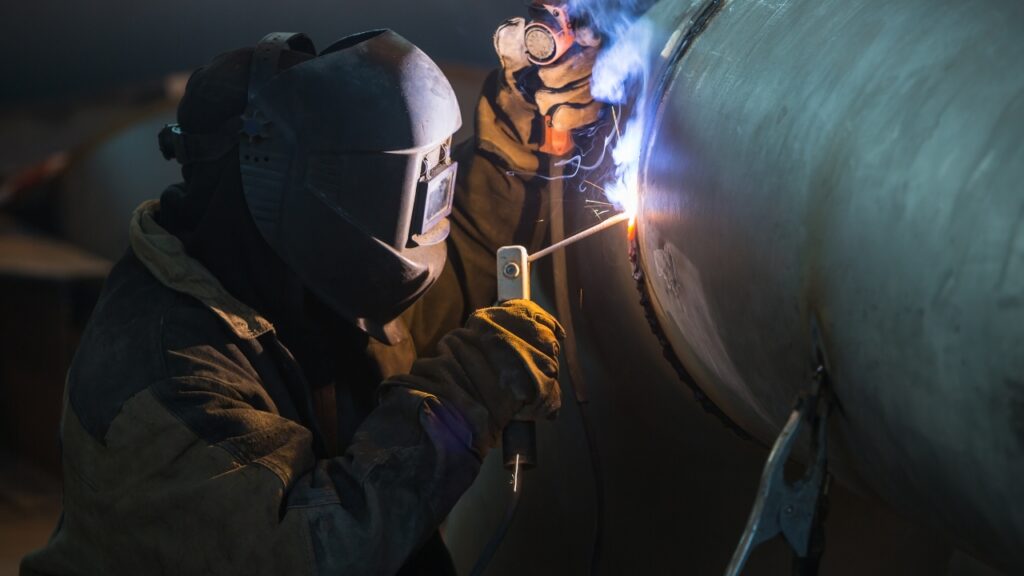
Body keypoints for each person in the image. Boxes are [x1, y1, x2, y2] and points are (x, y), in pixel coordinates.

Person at [21, 7, 604, 576]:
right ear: (315, 195)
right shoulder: (163, 380)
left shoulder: (301, 277)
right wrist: (466, 394)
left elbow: (443, 274)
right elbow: (318, 547)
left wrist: (519, 134)